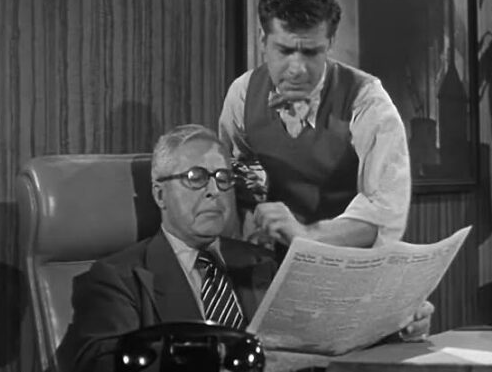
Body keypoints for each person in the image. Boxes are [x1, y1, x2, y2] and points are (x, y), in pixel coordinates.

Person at [57, 124, 431, 372]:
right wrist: (221, 356)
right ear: (159, 194)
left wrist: (395, 325)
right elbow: (101, 364)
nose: (214, 190)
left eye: (223, 178)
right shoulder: (117, 277)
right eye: (195, 177)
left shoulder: (263, 262)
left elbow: (330, 335)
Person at [219, 0, 412, 251]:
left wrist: (306, 235)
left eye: (311, 53)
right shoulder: (242, 93)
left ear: (330, 42)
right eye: (285, 50)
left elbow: (385, 216)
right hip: (267, 258)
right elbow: (234, 176)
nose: (297, 69)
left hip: (348, 260)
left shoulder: (368, 101)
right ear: (263, 40)